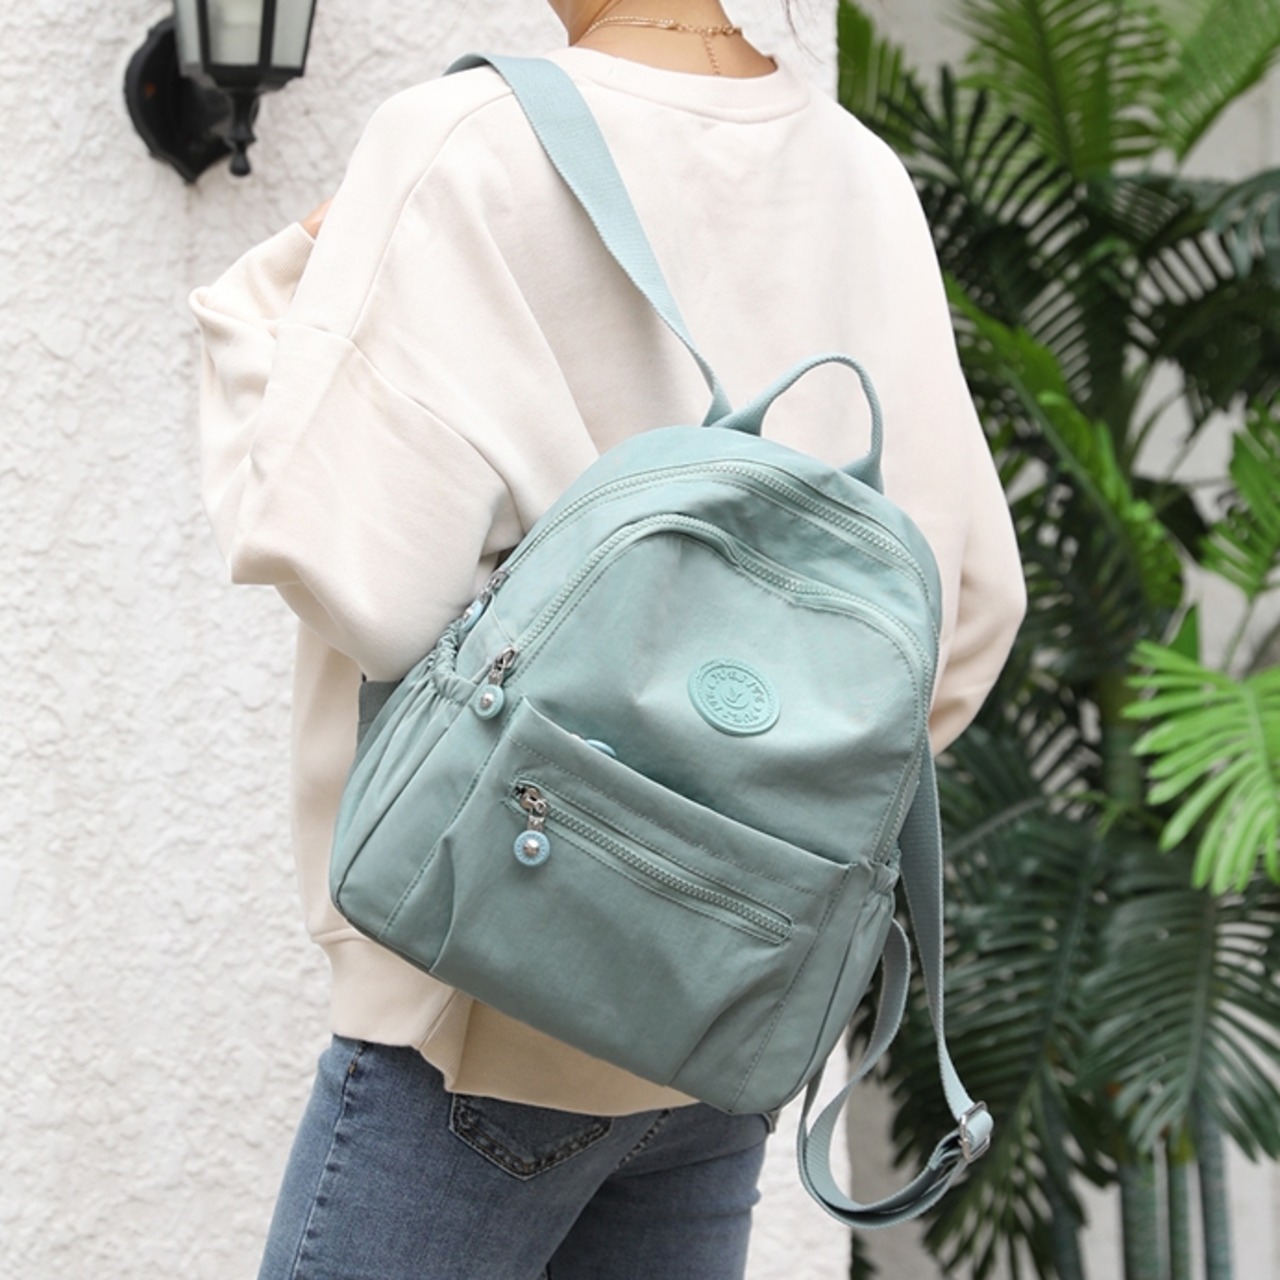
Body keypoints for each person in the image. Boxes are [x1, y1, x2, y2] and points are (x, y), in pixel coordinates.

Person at [191, 1, 1026, 1276]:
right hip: (719, 1021)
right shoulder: (860, 177)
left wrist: (265, 301)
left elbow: (354, 567)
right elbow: (963, 617)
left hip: (481, 1003)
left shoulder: (463, 139)